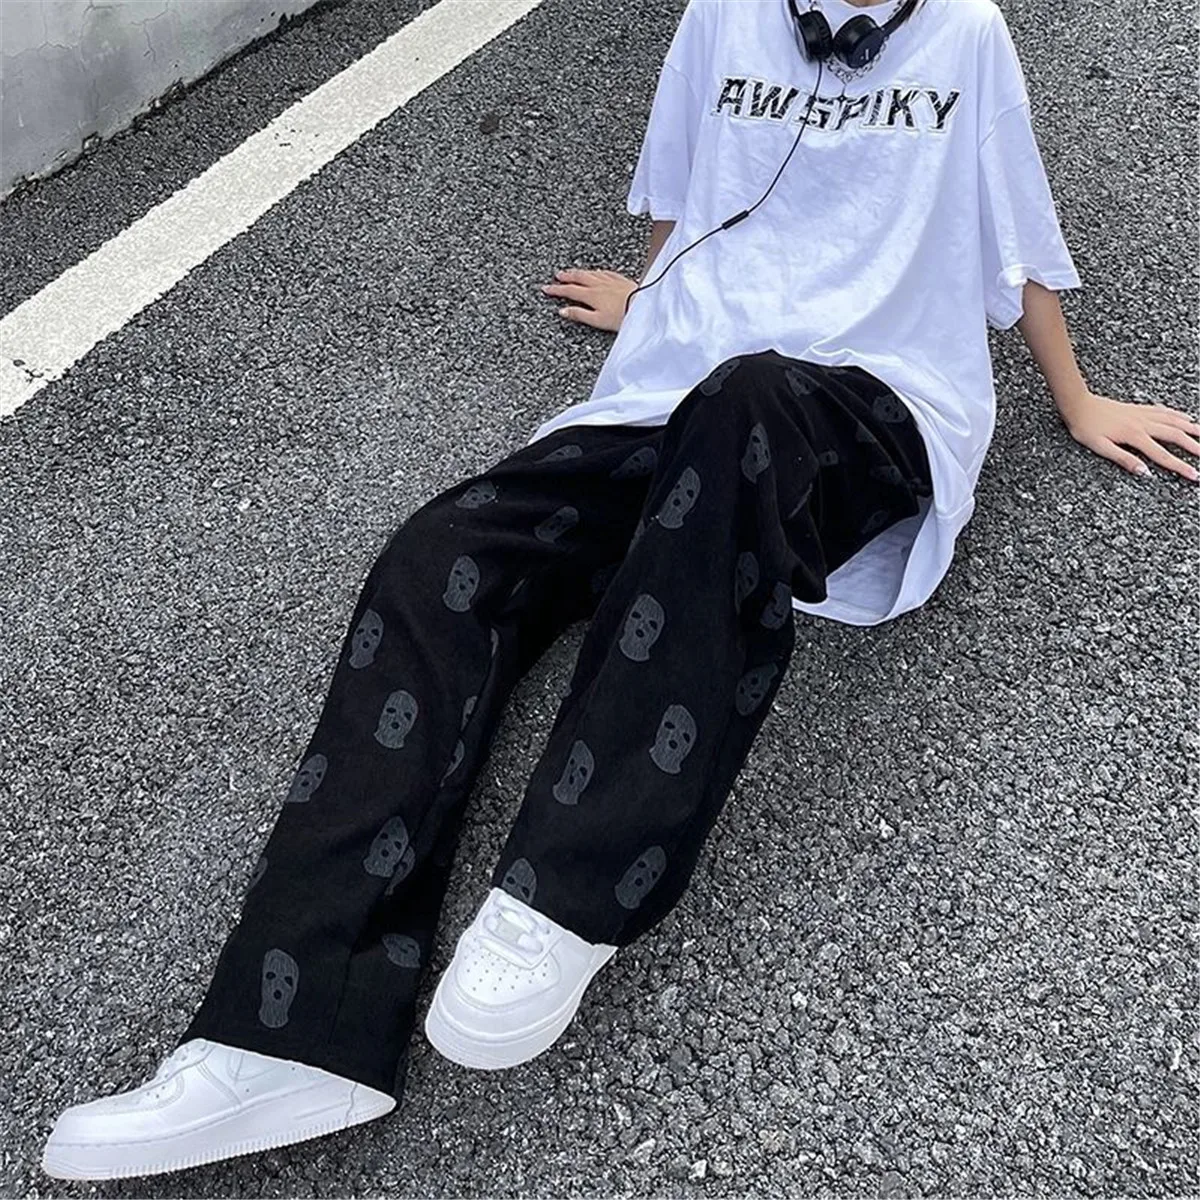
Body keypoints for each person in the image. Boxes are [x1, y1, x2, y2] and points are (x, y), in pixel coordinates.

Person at [42, 0, 1198, 1182]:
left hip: (864, 406)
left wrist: (1078, 401)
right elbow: (688, 189)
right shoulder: (723, 16)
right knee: (445, 555)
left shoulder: (965, 33)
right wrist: (654, 306)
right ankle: (290, 1032)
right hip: (689, 396)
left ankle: (567, 894)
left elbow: (1017, 240)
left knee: (747, 409)